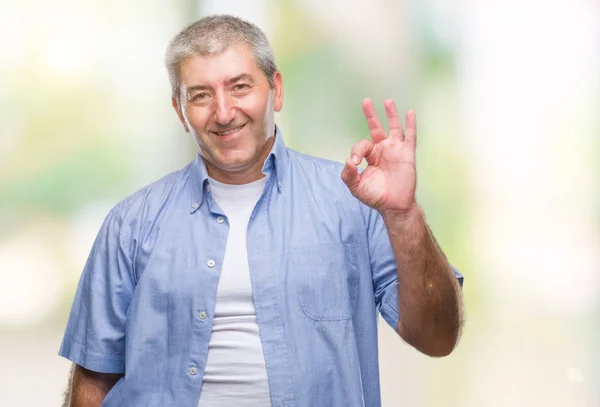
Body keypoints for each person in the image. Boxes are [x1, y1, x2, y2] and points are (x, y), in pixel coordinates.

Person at [59, 14, 464, 407]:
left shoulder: (353, 202)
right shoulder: (129, 225)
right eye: (200, 95)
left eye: (239, 87)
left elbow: (438, 338)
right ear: (180, 111)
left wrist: (404, 214)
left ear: (277, 90)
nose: (223, 112)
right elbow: (93, 380)